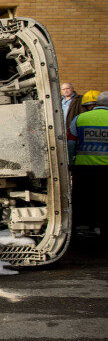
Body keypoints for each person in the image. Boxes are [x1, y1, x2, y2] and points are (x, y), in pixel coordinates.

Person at [68, 91, 108, 238]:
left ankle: (79, 227)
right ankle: (101, 227)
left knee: (82, 198)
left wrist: (69, 162)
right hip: (106, 169)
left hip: (83, 168)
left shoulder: (80, 118)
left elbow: (71, 143)